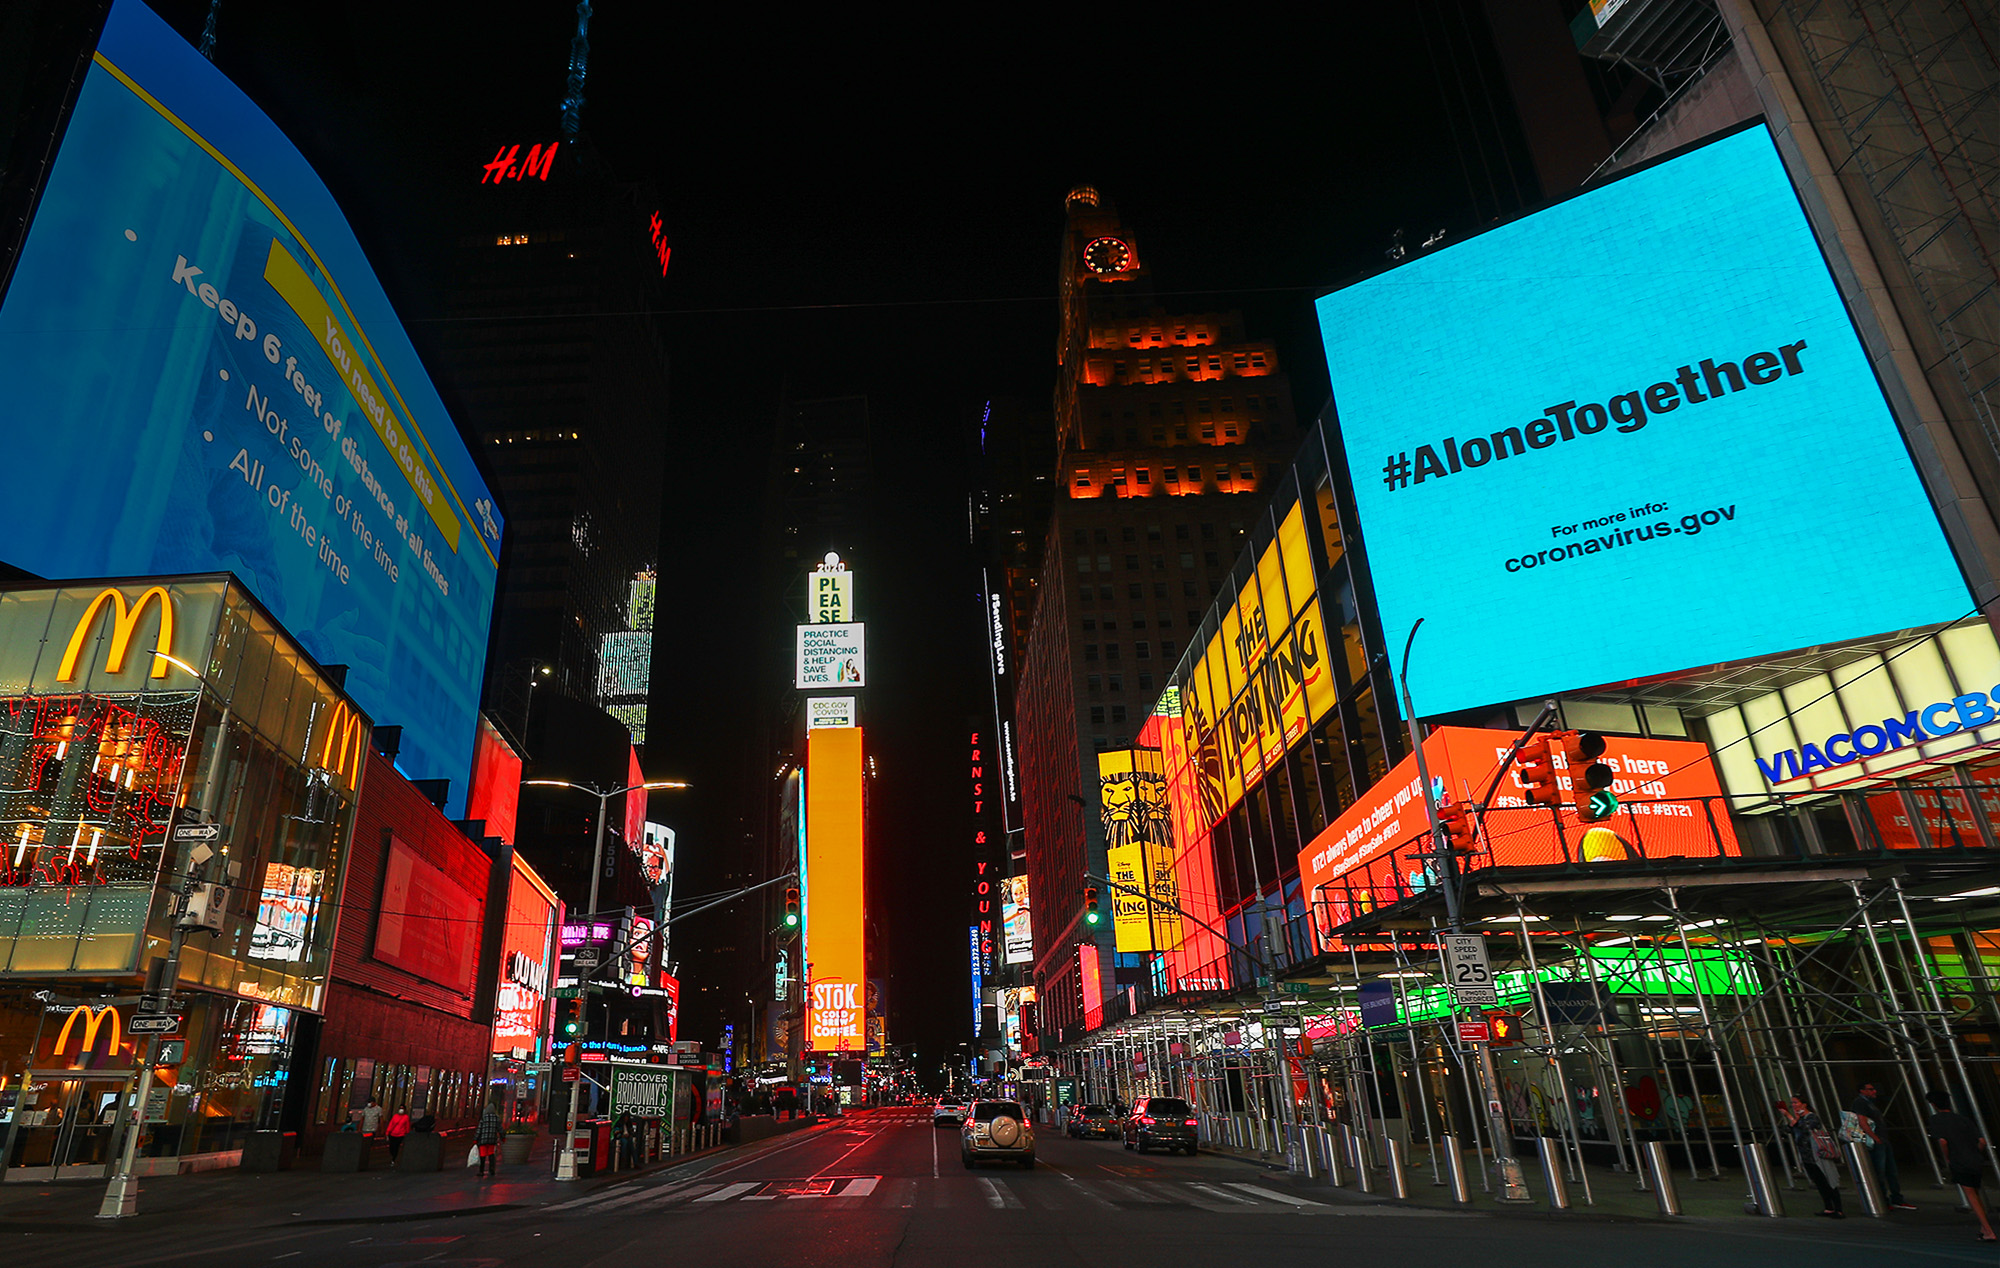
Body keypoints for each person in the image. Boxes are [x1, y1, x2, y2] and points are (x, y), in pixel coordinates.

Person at [1925, 1088, 1996, 1243]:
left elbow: (1943, 1141)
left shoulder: (1936, 1120)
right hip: (1974, 1159)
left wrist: (1947, 1157)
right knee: (1975, 1193)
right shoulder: (1963, 1119)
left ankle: (1987, 1229)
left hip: (1959, 1159)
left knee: (1971, 1195)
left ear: (1933, 1104)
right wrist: (1975, 1153)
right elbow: (1982, 1141)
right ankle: (1984, 1228)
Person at [1848, 1081, 1915, 1211]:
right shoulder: (1860, 1103)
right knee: (1880, 1171)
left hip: (1881, 1139)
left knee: (1890, 1170)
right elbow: (1862, 1121)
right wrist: (1875, 1138)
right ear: (1862, 1091)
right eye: (1870, 1089)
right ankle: (1884, 1199)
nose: (1874, 1092)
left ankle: (1895, 1199)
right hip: (1877, 1140)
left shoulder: (1868, 1103)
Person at [1779, 1095, 1844, 1218]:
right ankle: (1828, 1207)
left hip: (1818, 1154)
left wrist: (1790, 1117)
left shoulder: (1812, 1117)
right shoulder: (1800, 1119)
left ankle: (1838, 1209)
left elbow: (1806, 1127)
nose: (1793, 1106)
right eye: (1792, 1103)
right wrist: (1795, 1119)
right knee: (1820, 1182)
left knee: (1829, 1180)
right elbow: (1788, 1130)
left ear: (1804, 1104)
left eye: (1795, 1103)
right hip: (1806, 1156)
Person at [474, 1097, 503, 1179]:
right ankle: (492, 1170)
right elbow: (500, 1129)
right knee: (491, 1155)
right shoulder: (496, 1118)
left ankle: (481, 1171)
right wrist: (502, 1136)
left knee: (482, 1155)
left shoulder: (483, 1118)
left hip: (483, 1140)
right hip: (492, 1140)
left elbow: (479, 1129)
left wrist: (475, 1138)